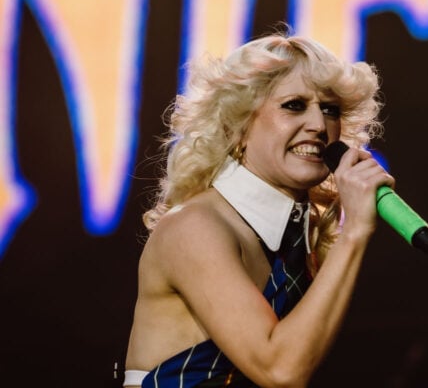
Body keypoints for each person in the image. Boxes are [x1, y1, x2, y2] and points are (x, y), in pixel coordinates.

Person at [123, 32, 393, 387]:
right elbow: (279, 370)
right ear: (238, 125)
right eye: (294, 105)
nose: (318, 125)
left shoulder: (300, 236)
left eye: (330, 110)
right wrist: (354, 230)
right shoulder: (195, 227)